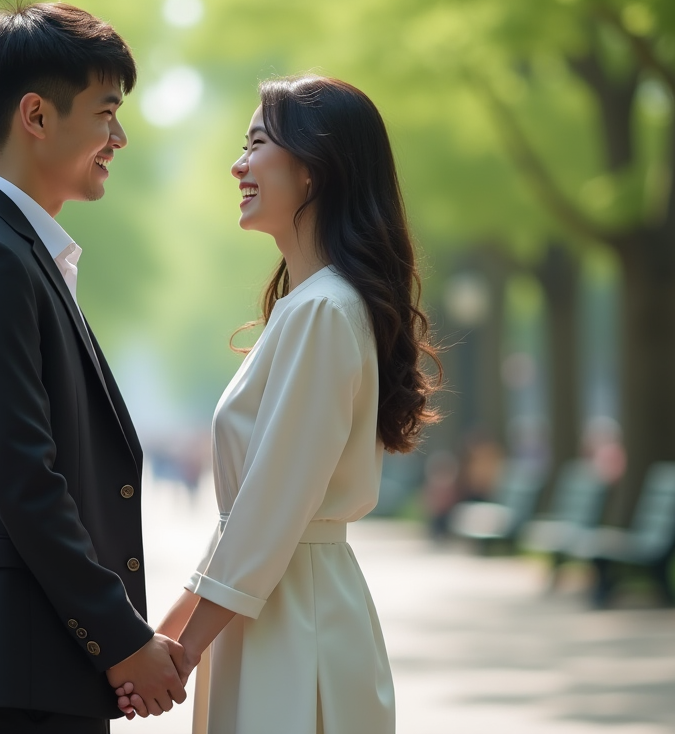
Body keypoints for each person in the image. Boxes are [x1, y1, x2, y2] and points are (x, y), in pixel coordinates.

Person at [0, 0, 186, 734]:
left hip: (32, 654)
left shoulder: (8, 248)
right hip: (23, 658)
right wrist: (121, 641)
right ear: (36, 115)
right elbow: (24, 479)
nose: (118, 137)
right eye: (106, 112)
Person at [118, 75, 440, 733]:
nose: (238, 164)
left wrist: (179, 653)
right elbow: (249, 518)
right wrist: (162, 642)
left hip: (296, 621)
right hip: (274, 607)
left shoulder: (323, 311)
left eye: (257, 144)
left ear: (316, 169)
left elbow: (270, 509)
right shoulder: (309, 308)